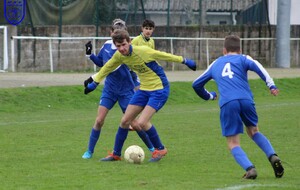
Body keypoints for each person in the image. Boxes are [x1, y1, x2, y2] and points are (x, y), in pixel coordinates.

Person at [84, 29, 197, 162]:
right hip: (144, 90)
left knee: (142, 122)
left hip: (159, 89)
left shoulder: (143, 51)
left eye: (124, 45)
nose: (122, 49)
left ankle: (160, 149)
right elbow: (107, 67)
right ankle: (116, 154)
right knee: (125, 121)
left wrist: (184, 61)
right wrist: (95, 83)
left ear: (130, 42)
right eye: (118, 46)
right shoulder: (119, 56)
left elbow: (163, 55)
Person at [192, 35, 284, 179]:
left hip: (228, 102)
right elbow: (258, 67)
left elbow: (196, 84)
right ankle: (272, 156)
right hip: (246, 100)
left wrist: (209, 96)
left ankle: (250, 169)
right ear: (240, 49)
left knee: (233, 142)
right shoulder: (243, 58)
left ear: (224, 50)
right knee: (254, 131)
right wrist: (271, 85)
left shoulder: (216, 63)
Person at [82, 19, 155, 160]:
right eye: (115, 30)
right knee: (99, 120)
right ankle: (89, 151)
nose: (116, 33)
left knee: (134, 123)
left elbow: (116, 67)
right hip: (109, 90)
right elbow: (101, 63)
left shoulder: (128, 48)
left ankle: (153, 148)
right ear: (111, 33)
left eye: (120, 30)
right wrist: (90, 55)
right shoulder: (107, 46)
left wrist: (138, 85)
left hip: (126, 91)